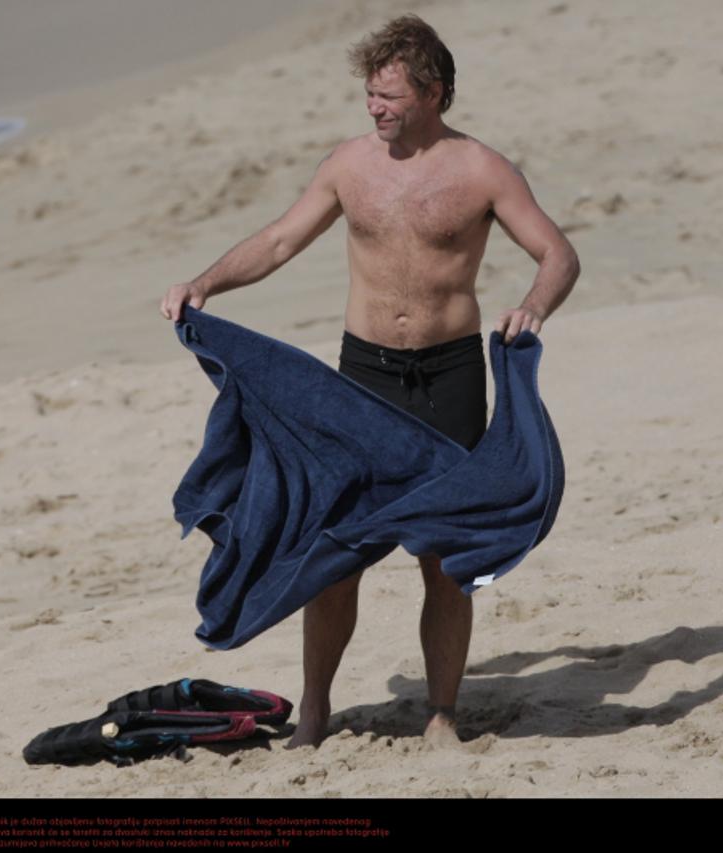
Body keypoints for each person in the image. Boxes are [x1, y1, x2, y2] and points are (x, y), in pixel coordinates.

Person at [159, 14, 579, 748]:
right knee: (334, 556)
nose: (376, 108)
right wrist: (206, 283)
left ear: (433, 93)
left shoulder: (482, 170)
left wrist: (533, 307)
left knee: (445, 561)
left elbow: (558, 254)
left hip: (449, 376)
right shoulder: (349, 165)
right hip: (363, 379)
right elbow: (282, 238)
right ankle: (315, 710)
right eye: (370, 95)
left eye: (389, 95)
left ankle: (442, 714)